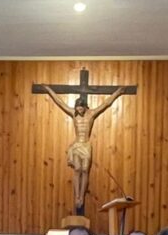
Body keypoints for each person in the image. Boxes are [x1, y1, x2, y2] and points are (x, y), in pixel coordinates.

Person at [37, 83, 127, 214]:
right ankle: (77, 196)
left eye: (81, 108)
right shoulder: (74, 114)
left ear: (85, 107)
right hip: (77, 145)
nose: (79, 111)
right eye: (77, 109)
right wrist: (48, 90)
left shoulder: (91, 114)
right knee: (77, 169)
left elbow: (106, 104)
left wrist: (118, 92)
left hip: (86, 145)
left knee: (85, 170)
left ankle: (82, 196)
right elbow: (60, 102)